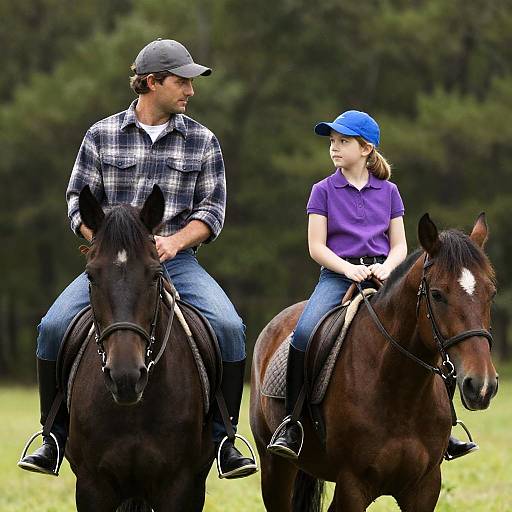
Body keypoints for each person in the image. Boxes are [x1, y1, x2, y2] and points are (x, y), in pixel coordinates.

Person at [18, 38, 257, 480]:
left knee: (229, 328)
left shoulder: (203, 141)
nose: (191, 90)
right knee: (51, 328)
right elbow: (76, 204)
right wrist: (107, 244)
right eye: (182, 81)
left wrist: (175, 241)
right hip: (110, 266)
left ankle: (225, 439)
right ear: (151, 82)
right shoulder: (100, 135)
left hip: (176, 260)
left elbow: (212, 211)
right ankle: (52, 437)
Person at [266, 110, 478, 461]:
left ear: (366, 148)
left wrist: (386, 268)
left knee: (432, 334)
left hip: (385, 277)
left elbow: (398, 245)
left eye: (343, 142)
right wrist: (349, 270)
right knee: (304, 334)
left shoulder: (389, 192)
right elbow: (316, 246)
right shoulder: (322, 191)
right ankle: (291, 423)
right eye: (332, 141)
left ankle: (447, 424)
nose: (334, 148)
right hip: (337, 276)